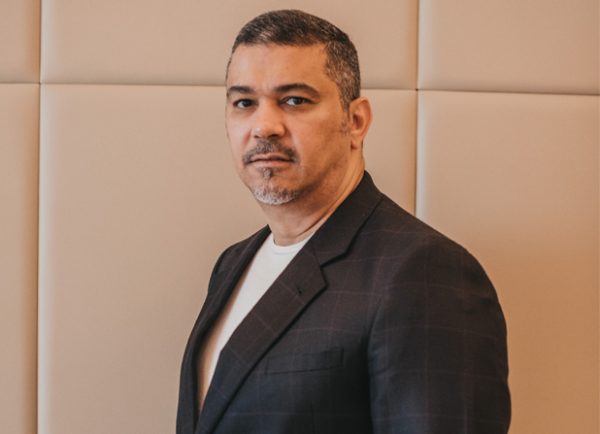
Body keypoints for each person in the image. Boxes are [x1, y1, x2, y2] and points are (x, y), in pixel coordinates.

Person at [177, 9, 510, 434]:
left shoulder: (424, 271)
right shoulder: (232, 263)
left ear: (355, 121)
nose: (264, 126)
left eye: (294, 100)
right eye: (244, 103)